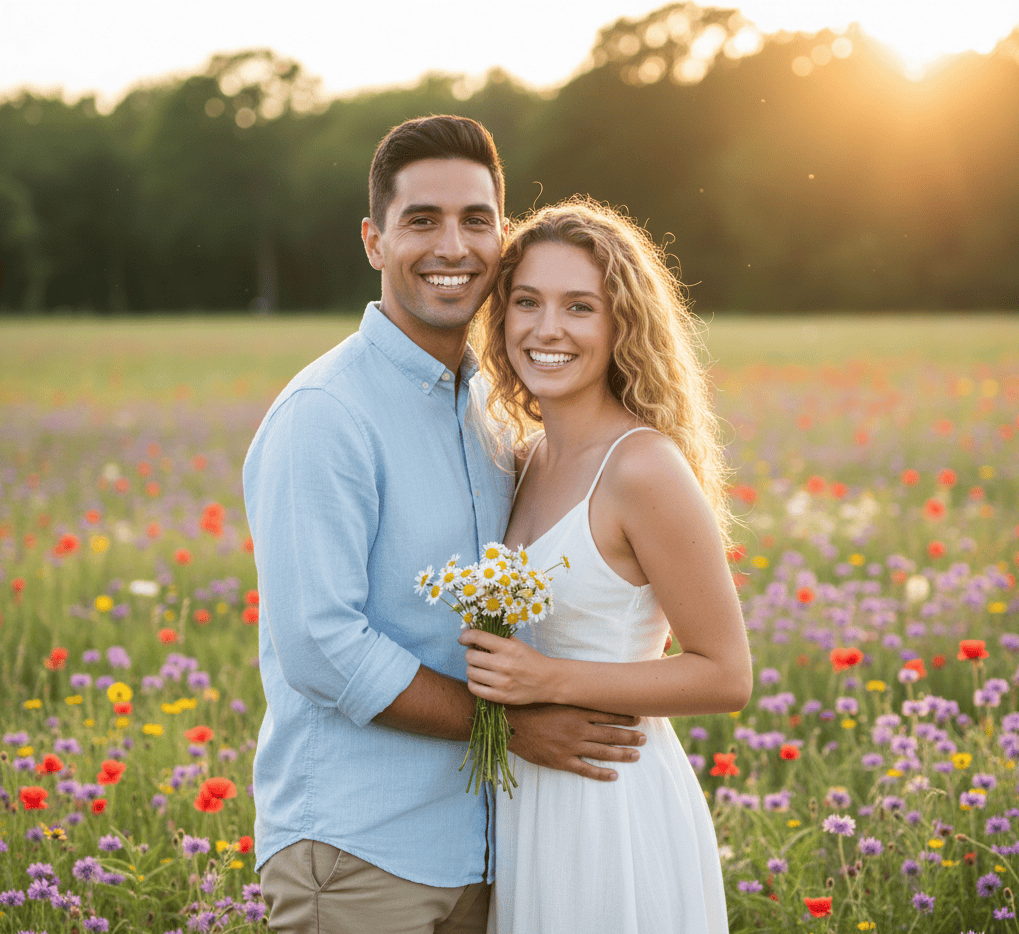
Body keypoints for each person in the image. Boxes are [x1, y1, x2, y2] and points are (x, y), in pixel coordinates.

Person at [242, 117, 646, 934]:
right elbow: (321, 648)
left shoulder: (493, 414)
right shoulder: (328, 413)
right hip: (358, 856)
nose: (451, 246)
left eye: (475, 220)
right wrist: (512, 726)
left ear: (502, 235)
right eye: (420, 220)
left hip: (487, 852)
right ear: (373, 241)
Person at [462, 197, 754, 934]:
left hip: (611, 804)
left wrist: (547, 680)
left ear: (620, 324)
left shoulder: (642, 467)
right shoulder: (521, 460)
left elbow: (725, 674)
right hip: (525, 803)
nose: (546, 328)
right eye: (525, 302)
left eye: (579, 307)